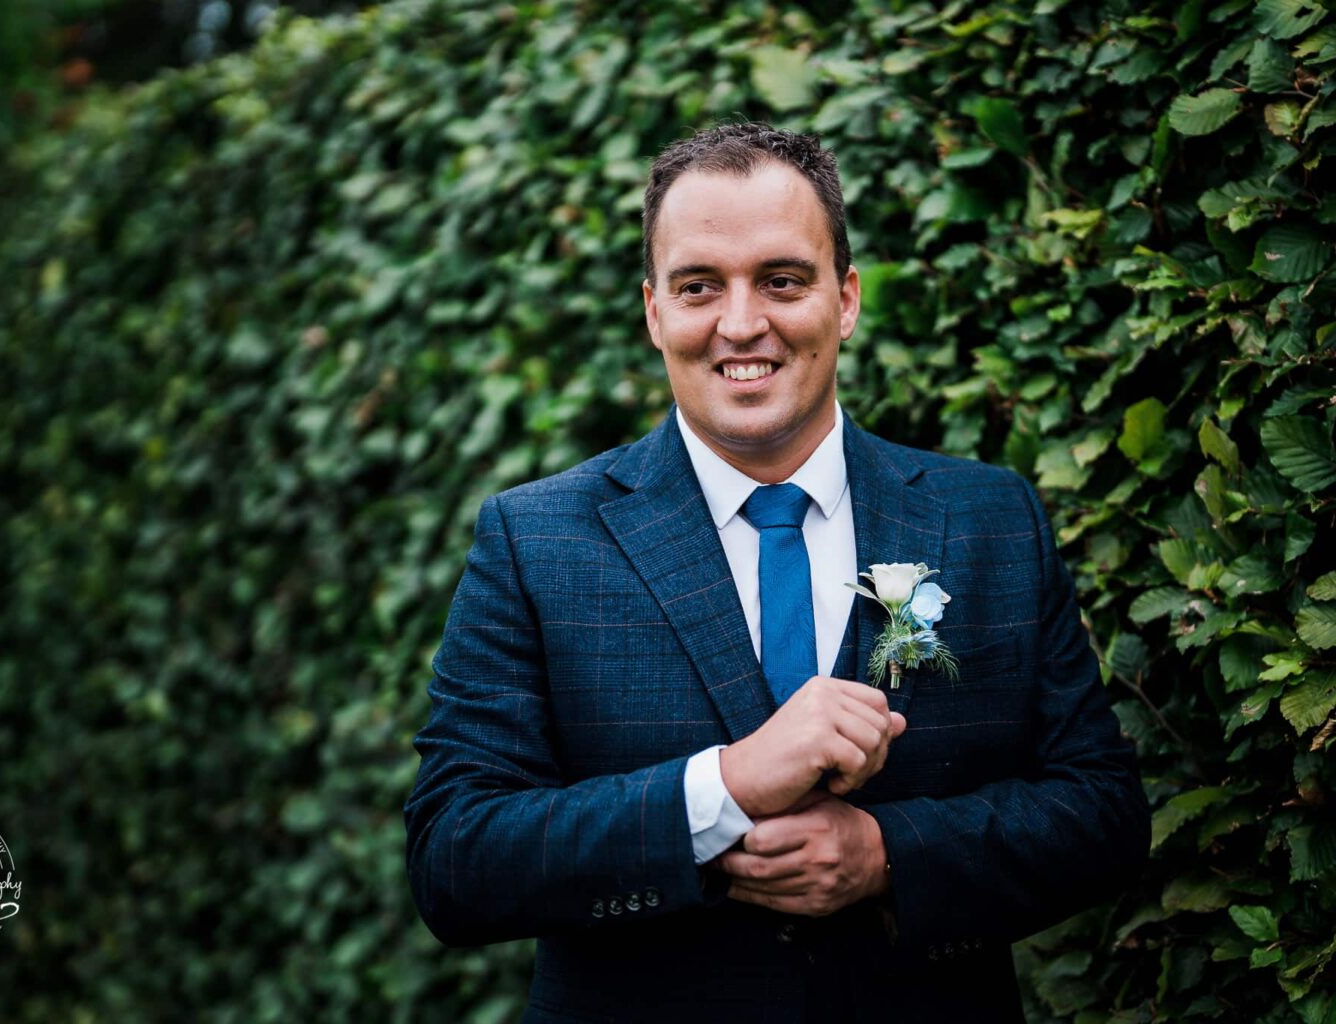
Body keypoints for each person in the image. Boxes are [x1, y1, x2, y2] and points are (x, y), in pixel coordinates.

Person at [403, 121, 1149, 1023]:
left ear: (846, 299)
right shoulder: (535, 540)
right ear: (653, 312)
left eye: (783, 280)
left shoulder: (992, 519)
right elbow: (456, 857)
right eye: (699, 287)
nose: (742, 322)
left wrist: (888, 854)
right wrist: (727, 787)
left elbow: (1104, 815)